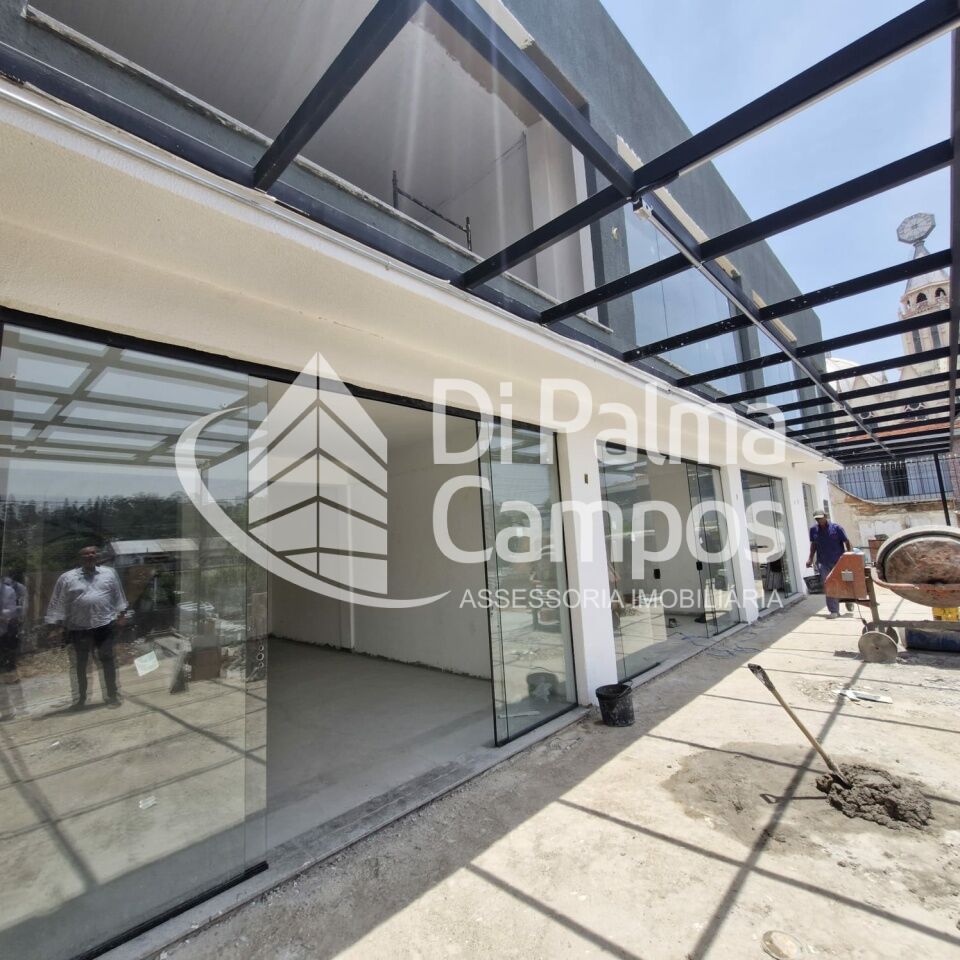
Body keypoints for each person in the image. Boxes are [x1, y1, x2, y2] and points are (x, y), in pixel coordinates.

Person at [45, 546, 128, 708]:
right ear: (79, 558)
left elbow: (118, 595)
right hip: (79, 628)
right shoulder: (67, 578)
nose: (90, 555)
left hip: (104, 625)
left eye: (93, 553)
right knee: (81, 665)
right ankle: (80, 699)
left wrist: (122, 615)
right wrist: (54, 626)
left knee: (107, 660)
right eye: (86, 554)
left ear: (97, 556)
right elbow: (57, 602)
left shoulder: (109, 573)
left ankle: (112, 696)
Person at [805, 511, 852, 619]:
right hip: (823, 562)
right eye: (817, 519)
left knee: (842, 583)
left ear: (825, 517)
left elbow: (846, 542)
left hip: (838, 561)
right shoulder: (813, 530)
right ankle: (834, 611)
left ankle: (848, 599)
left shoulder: (837, 528)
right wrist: (810, 558)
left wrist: (849, 555)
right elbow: (813, 545)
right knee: (829, 584)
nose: (819, 520)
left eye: (820, 518)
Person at [0, 572, 27, 680]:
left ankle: (10, 670)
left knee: (8, 647)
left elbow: (11, 610)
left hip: (6, 625)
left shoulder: (9, 590)